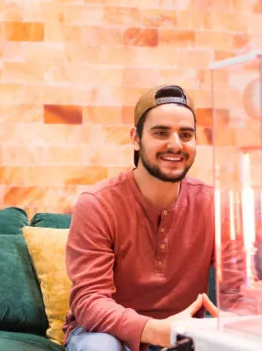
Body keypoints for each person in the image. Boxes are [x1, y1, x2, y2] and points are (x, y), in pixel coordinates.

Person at [63, 84, 217, 351]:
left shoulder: (214, 204)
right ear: (136, 138)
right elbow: (90, 300)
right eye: (161, 132)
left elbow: (241, 291)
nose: (175, 144)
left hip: (181, 337)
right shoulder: (98, 203)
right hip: (107, 333)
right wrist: (155, 331)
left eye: (186, 134)